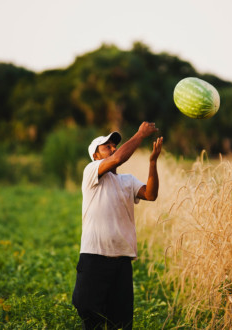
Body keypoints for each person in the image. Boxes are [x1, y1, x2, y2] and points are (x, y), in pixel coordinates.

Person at [72, 122, 163, 329]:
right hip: (94, 256)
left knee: (120, 322)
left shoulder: (127, 181)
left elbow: (151, 194)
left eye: (114, 145)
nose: (113, 148)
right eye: (107, 146)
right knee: (87, 309)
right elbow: (118, 158)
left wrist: (152, 162)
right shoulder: (91, 172)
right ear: (95, 156)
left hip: (121, 260)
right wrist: (140, 134)